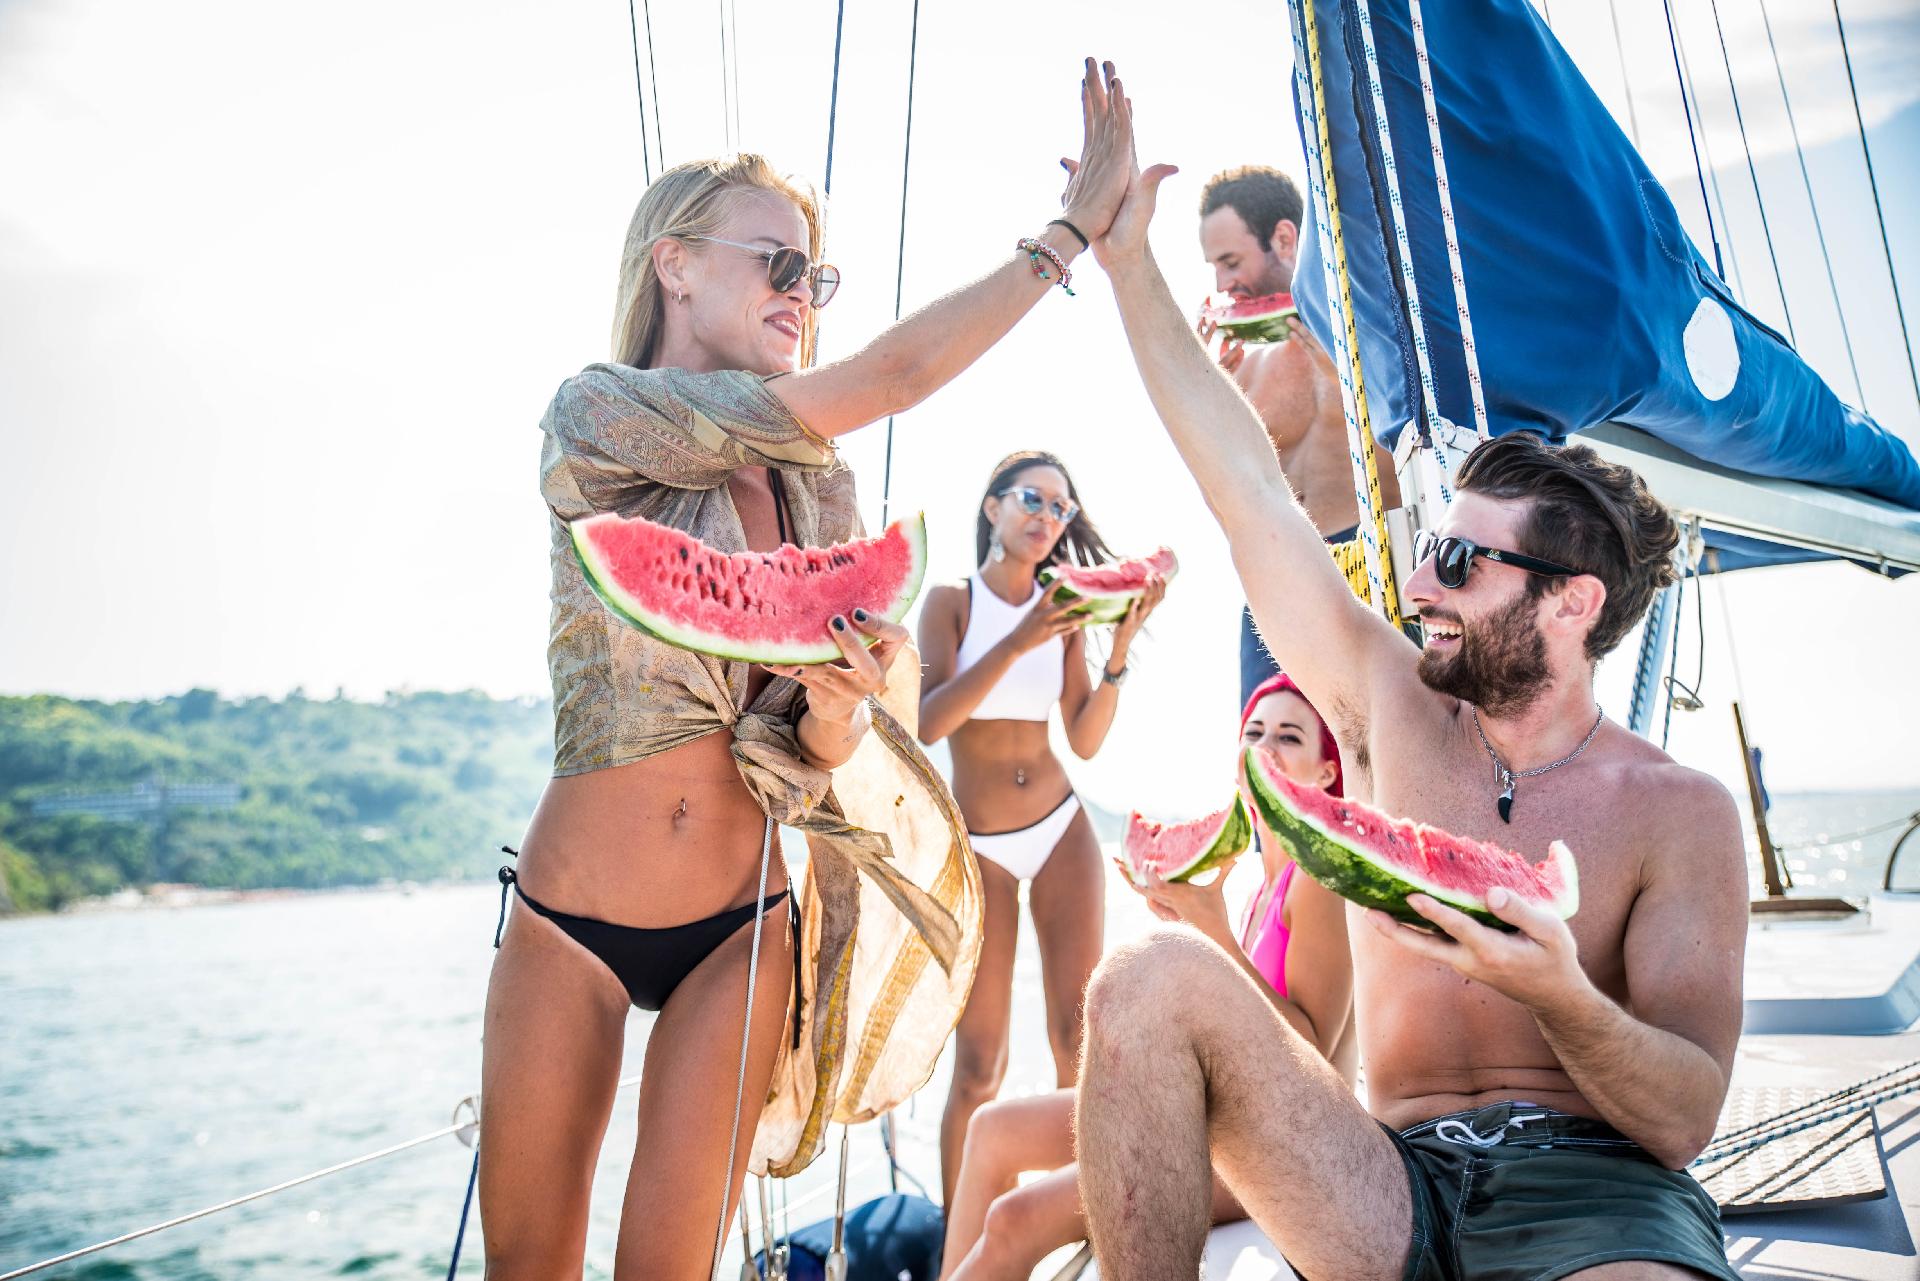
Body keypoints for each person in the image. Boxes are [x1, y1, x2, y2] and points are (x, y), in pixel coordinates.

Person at [479, 60, 1140, 1279]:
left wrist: (838, 715)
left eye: (815, 277)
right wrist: (1065, 240)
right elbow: (888, 381)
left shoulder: (816, 491)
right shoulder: (597, 415)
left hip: (742, 927)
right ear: (675, 265)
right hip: (571, 919)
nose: (802, 293)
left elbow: (803, 753)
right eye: (777, 263)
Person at [1072, 152, 1746, 1279]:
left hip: (1603, 1195)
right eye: (1431, 550)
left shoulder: (1681, 812)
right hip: (1393, 1180)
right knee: (1143, 978)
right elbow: (1249, 494)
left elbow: (1682, 1118)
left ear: (1572, 603)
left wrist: (1557, 994)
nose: (1421, 584)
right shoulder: (1387, 704)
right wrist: (1128, 265)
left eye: (1462, 563)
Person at [935, 671, 1355, 1280]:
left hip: (1283, 1148)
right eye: (1254, 733)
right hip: (1216, 1118)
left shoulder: (1318, 880)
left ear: (1326, 773)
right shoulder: (1258, 883)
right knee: (992, 1129)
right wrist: (1196, 924)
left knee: (1016, 1217)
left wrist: (1212, 930)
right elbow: (1238, 1014)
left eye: (1289, 737)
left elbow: (1313, 1049)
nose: (1265, 747)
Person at [915, 450, 1166, 1208]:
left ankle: (1072, 1216)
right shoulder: (951, 603)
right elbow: (928, 722)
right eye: (1034, 498)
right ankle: (958, 1242)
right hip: (979, 846)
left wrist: (1115, 655)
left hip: (1061, 830)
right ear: (993, 507)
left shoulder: (1065, 612)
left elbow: (1084, 739)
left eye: (1062, 508)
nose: (1049, 517)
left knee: (1074, 1043)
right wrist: (1021, 641)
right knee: (979, 1065)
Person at [1194, 165, 1402, 706]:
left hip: (1376, 567)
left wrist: (1349, 387)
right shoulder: (1244, 368)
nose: (1222, 285)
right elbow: (1226, 505)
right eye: (1214, 267)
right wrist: (1209, 397)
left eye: (1231, 262)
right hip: (1278, 579)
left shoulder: (1371, 334)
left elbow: (1410, 467)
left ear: (1284, 239)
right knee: (1272, 748)